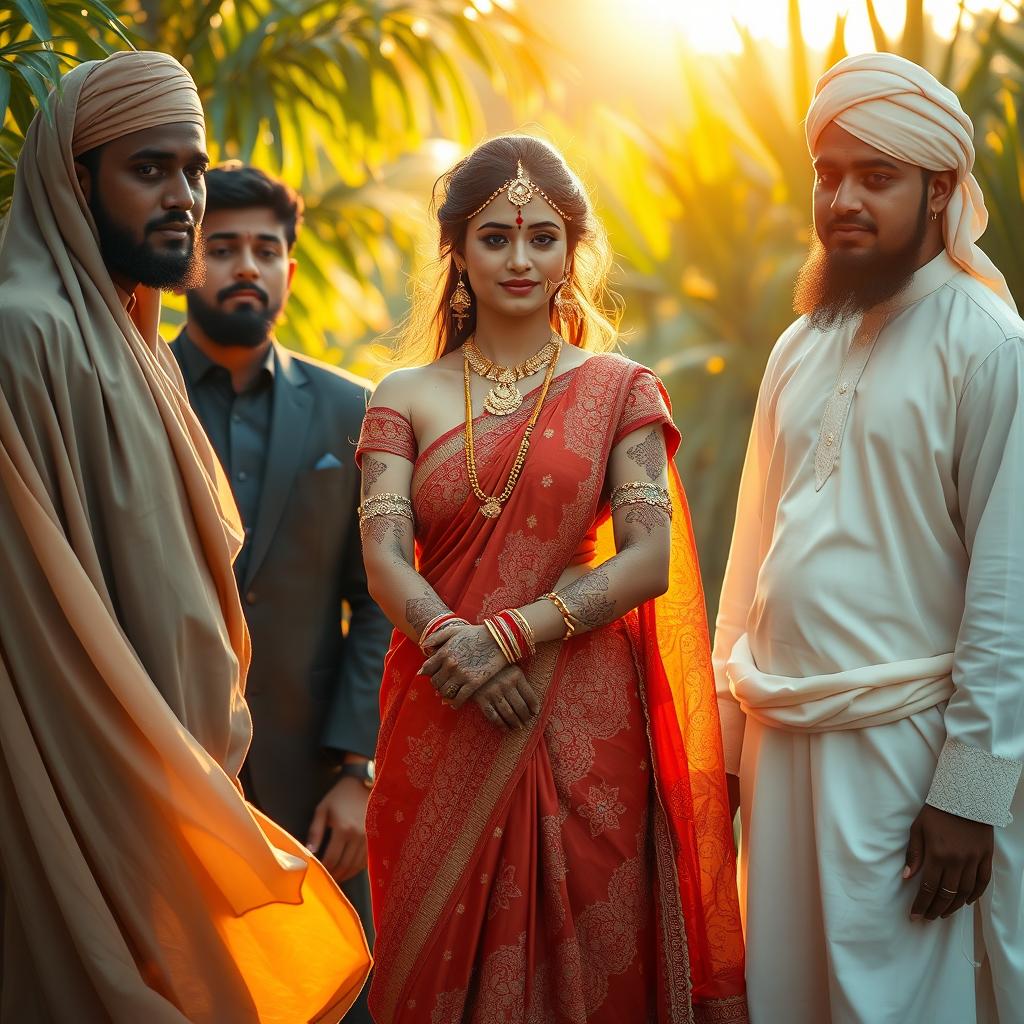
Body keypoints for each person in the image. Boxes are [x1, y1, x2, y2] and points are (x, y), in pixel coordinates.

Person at [0, 50, 369, 1022]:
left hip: (188, 788)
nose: (183, 198)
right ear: (76, 179)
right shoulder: (26, 334)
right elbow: (37, 615)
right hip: (92, 782)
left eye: (192, 169)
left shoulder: (122, 341)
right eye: (148, 169)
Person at [356, 134, 747, 1023]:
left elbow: (647, 557)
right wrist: (457, 640)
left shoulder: (621, 390)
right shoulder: (403, 394)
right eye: (495, 237)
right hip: (439, 700)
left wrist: (509, 635)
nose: (520, 258)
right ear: (457, 253)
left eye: (542, 237)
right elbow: (383, 558)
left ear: (574, 250)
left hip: (575, 716)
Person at [713, 52, 1023, 1023]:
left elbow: (1008, 589)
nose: (842, 198)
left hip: (910, 760)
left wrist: (968, 794)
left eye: (875, 176)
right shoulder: (799, 345)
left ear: (940, 190)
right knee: (782, 995)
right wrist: (719, 750)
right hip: (777, 748)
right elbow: (748, 558)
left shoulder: (988, 345)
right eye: (827, 172)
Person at [170, 163, 391, 1024]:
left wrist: (357, 768)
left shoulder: (352, 408)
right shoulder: (129, 390)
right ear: (186, 261)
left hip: (314, 791)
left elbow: (376, 597)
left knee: (331, 1000)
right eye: (221, 249)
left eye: (266, 250)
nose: (246, 267)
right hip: (167, 765)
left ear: (291, 272)